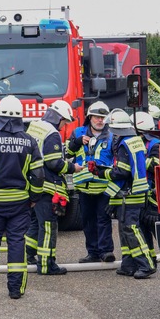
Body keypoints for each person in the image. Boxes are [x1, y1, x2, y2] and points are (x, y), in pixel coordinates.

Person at [0, 95, 44, 300]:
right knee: (17, 242)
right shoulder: (29, 141)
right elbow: (38, 175)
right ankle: (16, 290)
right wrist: (34, 198)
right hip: (20, 203)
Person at [90, 108, 155, 279]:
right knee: (125, 230)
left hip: (130, 193)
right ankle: (128, 265)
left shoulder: (124, 144)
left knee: (131, 229)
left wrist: (101, 172)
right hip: (134, 191)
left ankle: (146, 264)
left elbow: (121, 172)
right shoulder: (133, 140)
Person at [25, 100, 82, 275]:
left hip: (32, 185)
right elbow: (54, 163)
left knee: (35, 223)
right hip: (47, 187)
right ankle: (47, 264)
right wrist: (73, 167)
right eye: (64, 121)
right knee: (49, 226)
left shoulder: (34, 127)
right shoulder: (52, 133)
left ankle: (29, 256)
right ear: (58, 118)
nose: (64, 125)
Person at [67, 101, 116, 264]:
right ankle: (93, 252)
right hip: (84, 186)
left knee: (103, 219)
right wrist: (76, 142)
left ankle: (106, 251)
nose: (100, 120)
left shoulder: (112, 136)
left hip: (103, 186)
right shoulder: (78, 132)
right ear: (90, 117)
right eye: (97, 117)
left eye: (103, 117)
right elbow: (67, 152)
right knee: (88, 221)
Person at [131, 111, 160, 265]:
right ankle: (151, 258)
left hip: (154, 195)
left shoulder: (155, 144)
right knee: (143, 230)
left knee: (157, 228)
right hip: (142, 193)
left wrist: (140, 157)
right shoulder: (140, 142)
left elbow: (156, 165)